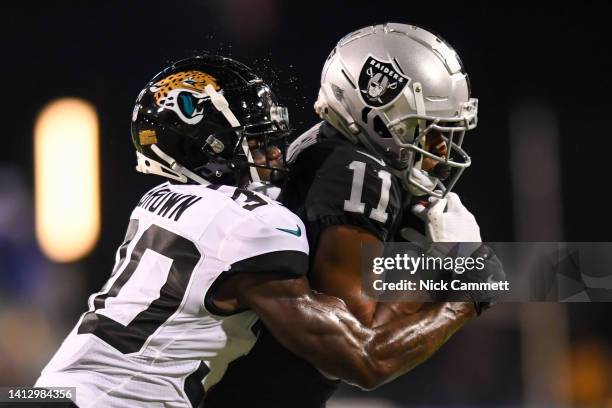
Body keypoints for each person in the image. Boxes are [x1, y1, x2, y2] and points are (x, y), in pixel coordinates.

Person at [34, 54, 491, 408]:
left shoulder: (152, 206)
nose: (274, 155)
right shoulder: (255, 225)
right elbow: (365, 358)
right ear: (206, 145)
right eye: (257, 142)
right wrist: (462, 292)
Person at [205, 23, 497, 407]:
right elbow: (362, 350)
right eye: (430, 130)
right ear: (380, 114)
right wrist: (462, 282)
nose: (441, 146)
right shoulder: (358, 172)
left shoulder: (323, 148)